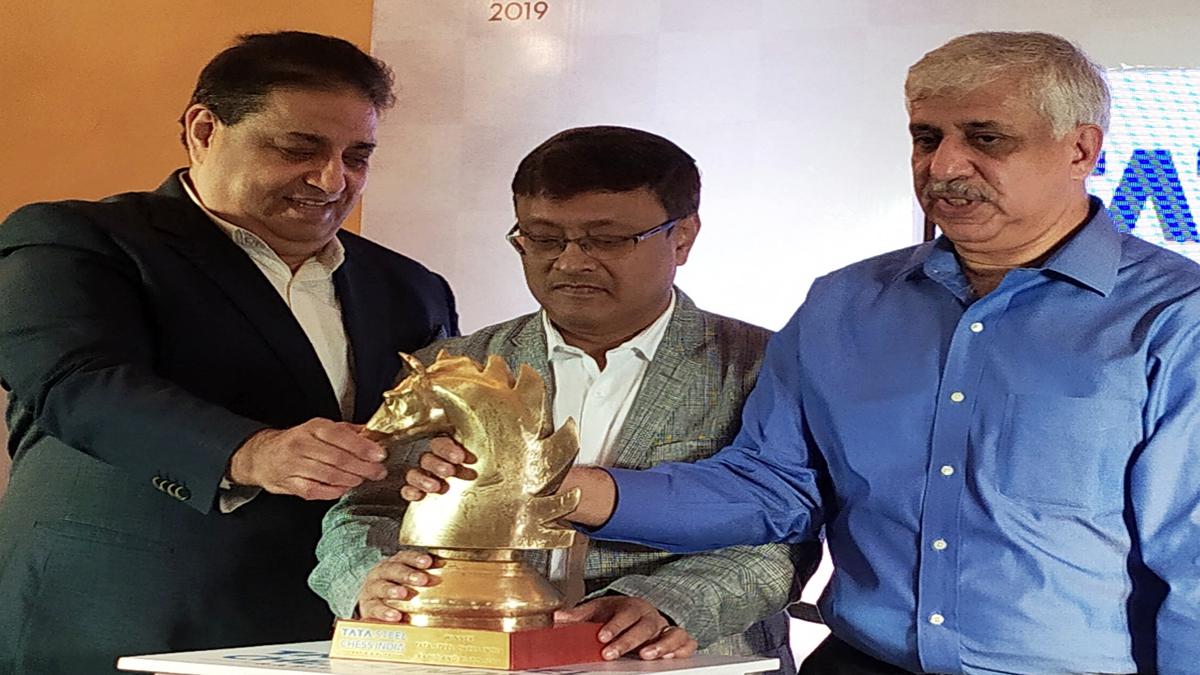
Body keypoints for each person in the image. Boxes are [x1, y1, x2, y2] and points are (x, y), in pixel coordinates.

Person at [407, 32, 1200, 674]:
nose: (944, 164)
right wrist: (556, 487)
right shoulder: (845, 303)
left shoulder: (1175, 318)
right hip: (861, 661)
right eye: (927, 137)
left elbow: (1191, 567)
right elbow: (772, 486)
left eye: (985, 139)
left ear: (1081, 149)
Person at [0, 31, 458, 674]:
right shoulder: (74, 240)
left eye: (358, 156)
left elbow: (424, 440)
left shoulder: (410, 287)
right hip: (121, 622)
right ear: (203, 129)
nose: (332, 180)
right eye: (298, 149)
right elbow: (78, 385)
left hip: (345, 634)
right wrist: (250, 452)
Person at [310, 126, 814, 674]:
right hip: (470, 659)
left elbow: (790, 535)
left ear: (683, 236)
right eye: (543, 239)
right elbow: (364, 508)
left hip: (687, 661)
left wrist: (671, 604)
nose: (571, 262)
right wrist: (369, 577)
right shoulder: (457, 366)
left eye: (607, 239)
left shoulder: (767, 365)